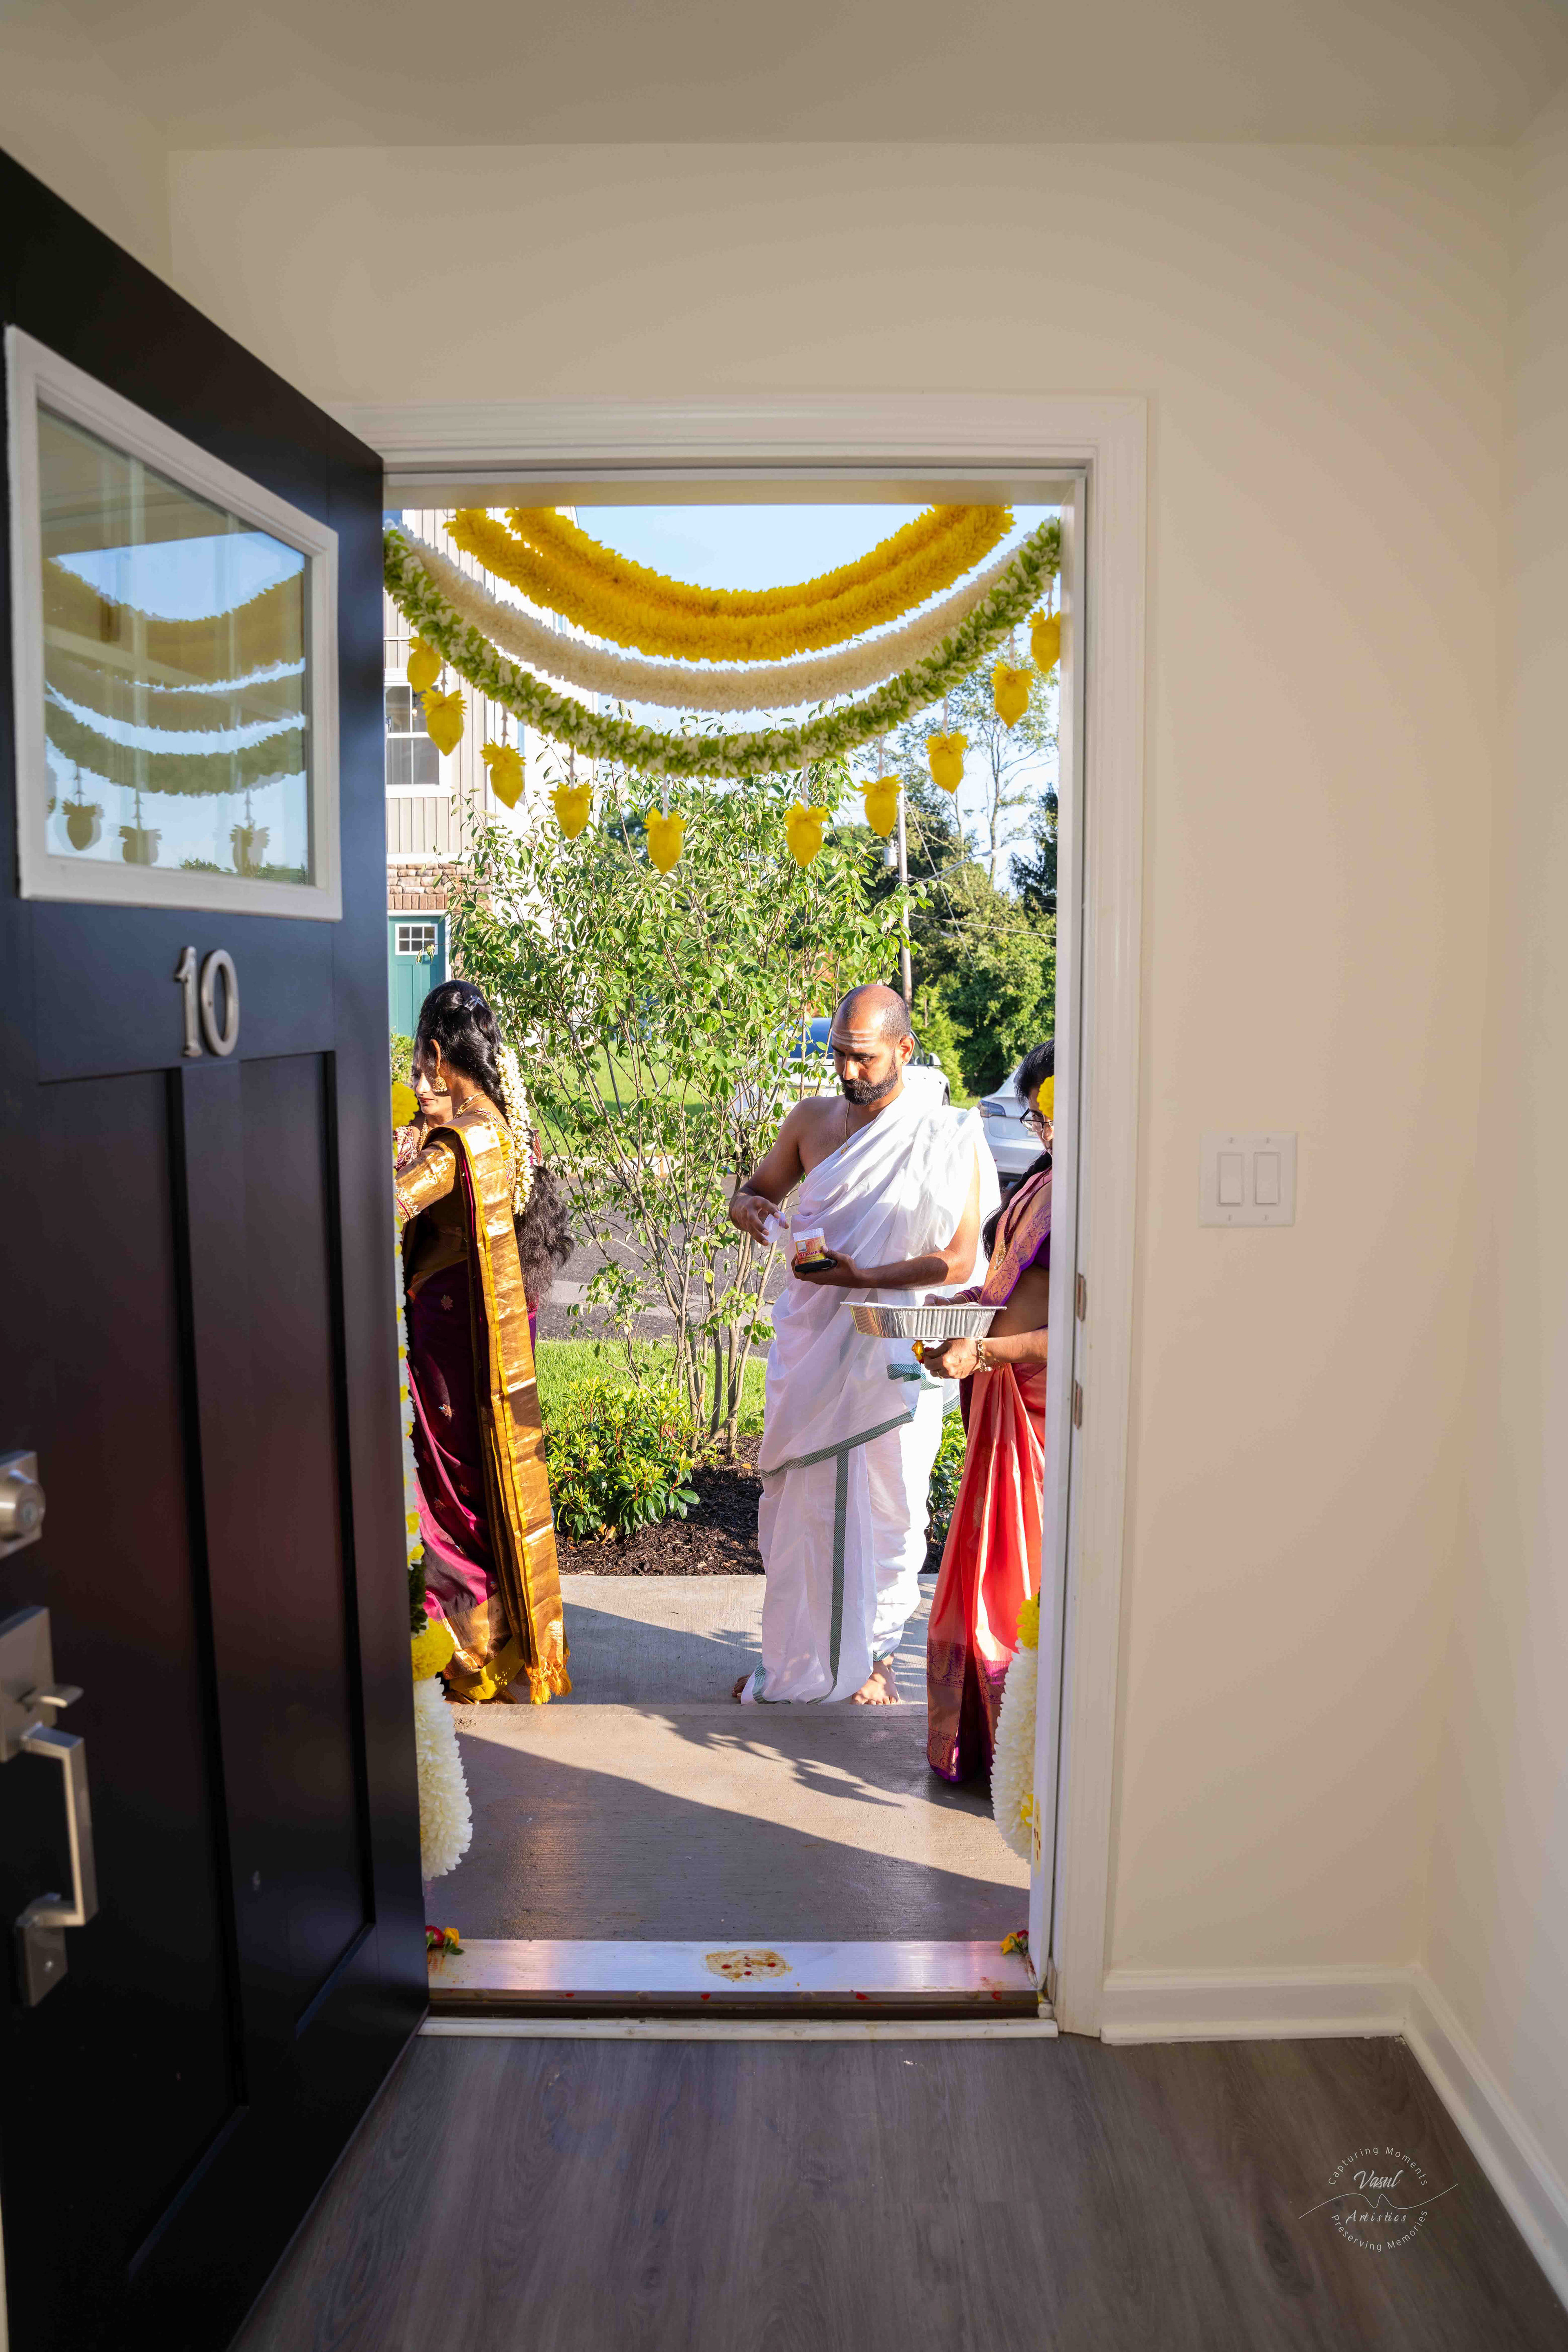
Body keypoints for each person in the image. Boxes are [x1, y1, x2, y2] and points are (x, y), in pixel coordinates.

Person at [728, 982, 998, 1705]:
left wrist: (865, 1278)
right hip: (812, 1341)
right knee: (799, 1503)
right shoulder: (810, 1120)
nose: (847, 1071)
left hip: (895, 1347)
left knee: (892, 1503)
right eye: (839, 1055)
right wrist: (751, 1209)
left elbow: (960, 1261)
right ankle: (791, 1658)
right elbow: (753, 1193)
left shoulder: (948, 1136)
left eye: (864, 1058)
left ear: (904, 1050)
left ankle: (877, 1659)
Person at [393, 979, 570, 1705]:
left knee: (453, 1492)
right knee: (489, 1483)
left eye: (420, 1062)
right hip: (492, 1330)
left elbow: (390, 1206)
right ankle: (499, 1640)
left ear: (438, 1054)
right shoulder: (504, 1125)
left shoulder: (457, 1142)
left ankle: (468, 1648)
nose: (419, 1078)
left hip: (450, 1337)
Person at [922, 1037, 1054, 1782]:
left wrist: (987, 1352)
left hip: (1044, 1422)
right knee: (981, 1576)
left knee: (1020, 1588)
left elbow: (1089, 1332)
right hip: (1001, 1398)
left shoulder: (1103, 1198)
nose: (1043, 1131)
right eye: (1036, 1118)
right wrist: (958, 1309)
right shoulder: (1043, 1182)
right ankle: (983, 1755)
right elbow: (1007, 1283)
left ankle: (1025, 1763)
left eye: (1050, 1115)